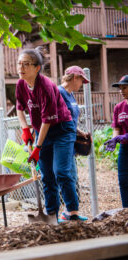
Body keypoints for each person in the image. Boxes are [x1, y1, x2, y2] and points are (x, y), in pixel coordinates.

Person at [15, 47, 84, 221]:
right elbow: (19, 109)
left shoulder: (46, 86)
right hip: (42, 130)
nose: (21, 68)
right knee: (46, 175)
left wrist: (38, 147)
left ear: (37, 68)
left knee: (61, 171)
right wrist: (25, 129)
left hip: (61, 129)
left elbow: (47, 120)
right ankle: (51, 214)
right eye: (19, 64)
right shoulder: (21, 84)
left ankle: (72, 212)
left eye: (26, 64)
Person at [58, 66, 91, 222]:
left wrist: (80, 133)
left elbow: (71, 120)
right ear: (75, 77)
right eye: (82, 80)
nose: (82, 84)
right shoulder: (60, 93)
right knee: (66, 177)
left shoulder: (71, 96)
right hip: (61, 142)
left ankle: (70, 211)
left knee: (72, 177)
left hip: (71, 142)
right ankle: (68, 212)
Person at [104, 75, 128, 208]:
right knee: (124, 180)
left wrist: (122, 137)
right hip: (125, 149)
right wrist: (114, 138)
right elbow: (116, 127)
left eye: (124, 87)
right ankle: (126, 212)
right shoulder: (119, 107)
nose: (121, 91)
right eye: (120, 88)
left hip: (125, 140)